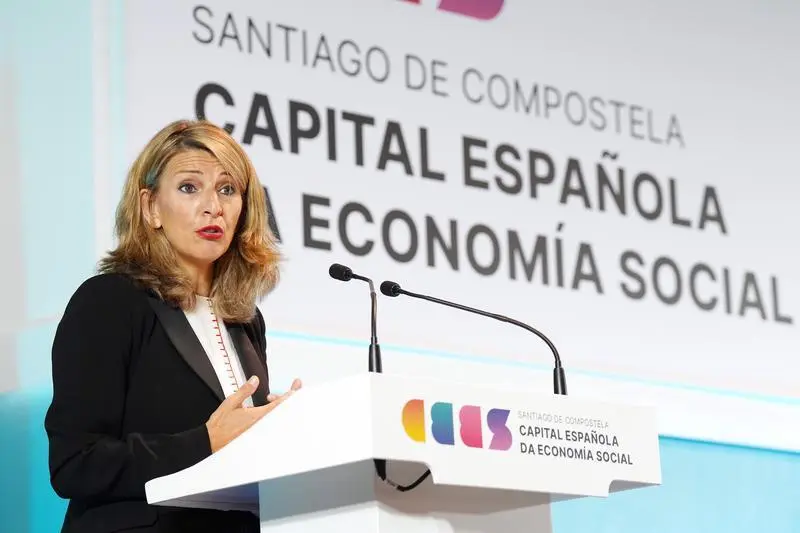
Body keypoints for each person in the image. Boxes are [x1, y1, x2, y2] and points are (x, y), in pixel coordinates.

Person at [44, 119, 301, 533]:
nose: (213, 206)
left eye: (227, 189)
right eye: (189, 187)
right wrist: (205, 441)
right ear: (150, 208)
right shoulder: (109, 300)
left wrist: (283, 430)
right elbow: (76, 464)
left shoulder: (246, 320)